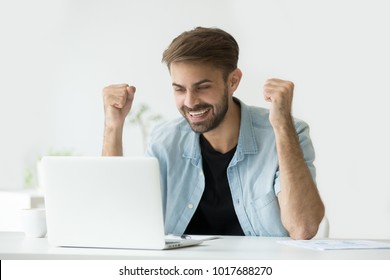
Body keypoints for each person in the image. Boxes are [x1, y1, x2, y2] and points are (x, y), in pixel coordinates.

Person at [102, 27, 325, 240]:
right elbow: (119, 220)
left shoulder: (286, 132)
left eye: (202, 87)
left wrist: (282, 125)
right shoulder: (165, 140)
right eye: (179, 89)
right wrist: (114, 126)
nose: (190, 102)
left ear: (233, 81)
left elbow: (303, 227)